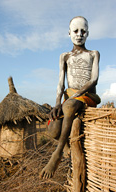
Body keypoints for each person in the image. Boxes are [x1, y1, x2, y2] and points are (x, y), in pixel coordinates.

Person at [40, 16, 101, 179]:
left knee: (68, 106)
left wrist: (74, 96)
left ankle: (57, 154)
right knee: (53, 129)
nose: (79, 34)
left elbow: (93, 79)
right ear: (69, 34)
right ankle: (65, 146)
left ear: (88, 33)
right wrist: (56, 104)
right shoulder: (64, 56)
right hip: (69, 98)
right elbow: (60, 83)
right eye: (76, 31)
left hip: (87, 96)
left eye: (83, 31)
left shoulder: (93, 54)